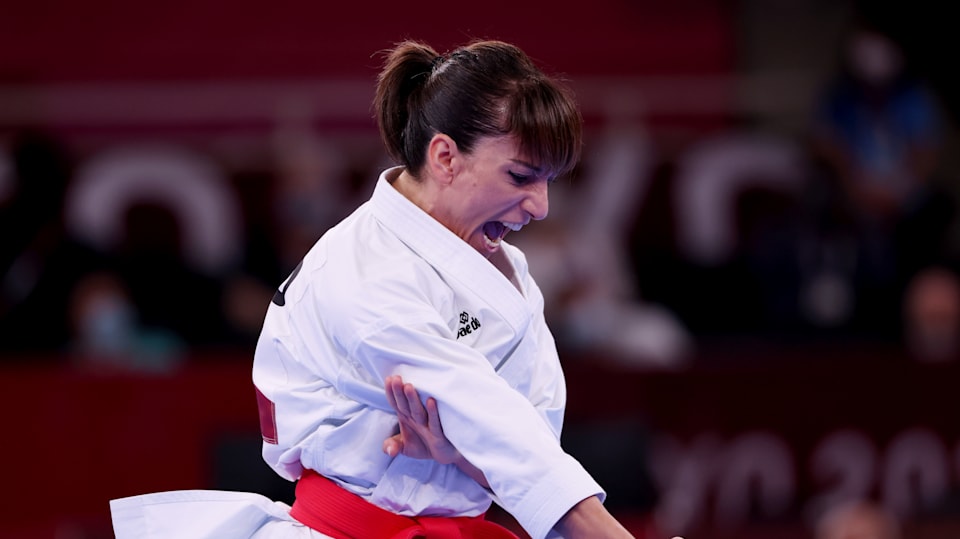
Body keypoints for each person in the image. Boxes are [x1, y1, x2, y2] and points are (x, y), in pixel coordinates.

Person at [111, 39, 646, 539]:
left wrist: (461, 457)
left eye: (549, 181)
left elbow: (530, 441)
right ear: (445, 157)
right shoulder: (363, 269)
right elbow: (492, 420)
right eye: (521, 177)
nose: (541, 206)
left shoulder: (510, 274)